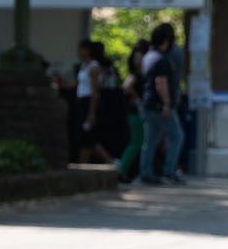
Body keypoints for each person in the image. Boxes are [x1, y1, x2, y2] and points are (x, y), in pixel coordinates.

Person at [139, 23, 185, 184]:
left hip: (148, 104)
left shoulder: (148, 56)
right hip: (160, 106)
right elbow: (161, 82)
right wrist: (166, 103)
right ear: (167, 39)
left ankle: (146, 172)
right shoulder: (161, 59)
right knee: (177, 136)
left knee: (150, 141)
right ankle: (169, 170)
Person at [73, 40, 114, 164]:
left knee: (88, 141)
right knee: (87, 141)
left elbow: (94, 92)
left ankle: (111, 165)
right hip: (81, 104)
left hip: (89, 104)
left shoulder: (94, 67)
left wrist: (91, 113)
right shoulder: (83, 65)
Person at [117, 40, 149, 183]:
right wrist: (137, 98)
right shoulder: (135, 74)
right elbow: (126, 86)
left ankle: (127, 171)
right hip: (134, 111)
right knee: (136, 142)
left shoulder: (143, 74)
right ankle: (121, 170)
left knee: (138, 142)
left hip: (137, 110)